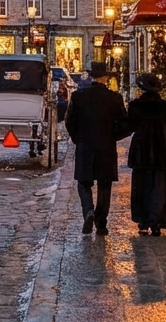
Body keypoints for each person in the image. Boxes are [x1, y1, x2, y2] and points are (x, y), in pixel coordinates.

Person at [64, 61, 129, 235]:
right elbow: (125, 124)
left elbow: (69, 121)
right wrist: (113, 137)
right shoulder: (115, 98)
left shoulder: (78, 96)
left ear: (91, 76)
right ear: (106, 77)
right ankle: (101, 223)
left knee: (84, 183)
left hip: (85, 146)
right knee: (104, 185)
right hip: (106, 147)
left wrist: (78, 138)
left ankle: (88, 211)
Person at [127, 73, 166, 236]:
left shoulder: (135, 106)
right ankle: (157, 221)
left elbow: (129, 127)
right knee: (160, 187)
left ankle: (144, 221)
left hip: (141, 152)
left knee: (142, 186)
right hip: (162, 152)